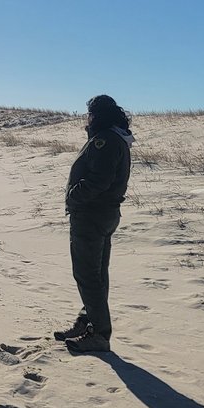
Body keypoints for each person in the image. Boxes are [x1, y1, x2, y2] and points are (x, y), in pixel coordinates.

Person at [56, 95, 134, 353]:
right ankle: (88, 321)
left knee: (87, 274)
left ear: (97, 115)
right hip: (103, 213)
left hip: (92, 214)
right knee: (97, 274)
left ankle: (99, 334)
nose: (87, 118)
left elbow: (99, 180)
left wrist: (74, 196)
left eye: (89, 114)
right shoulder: (114, 137)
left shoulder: (106, 140)